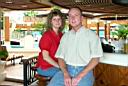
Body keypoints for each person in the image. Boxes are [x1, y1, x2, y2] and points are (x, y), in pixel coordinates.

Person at [48, 7, 103, 86]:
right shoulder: (65, 36)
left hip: (85, 71)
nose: (73, 18)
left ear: (81, 18)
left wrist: (80, 76)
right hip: (67, 69)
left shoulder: (92, 35)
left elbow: (96, 59)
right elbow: (60, 57)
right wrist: (65, 73)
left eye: (76, 15)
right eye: (70, 16)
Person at [36, 9, 65, 77]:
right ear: (50, 22)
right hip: (45, 67)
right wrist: (60, 67)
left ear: (62, 21)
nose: (57, 21)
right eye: (54, 19)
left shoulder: (61, 35)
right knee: (64, 74)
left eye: (59, 19)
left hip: (56, 65)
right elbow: (46, 57)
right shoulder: (47, 35)